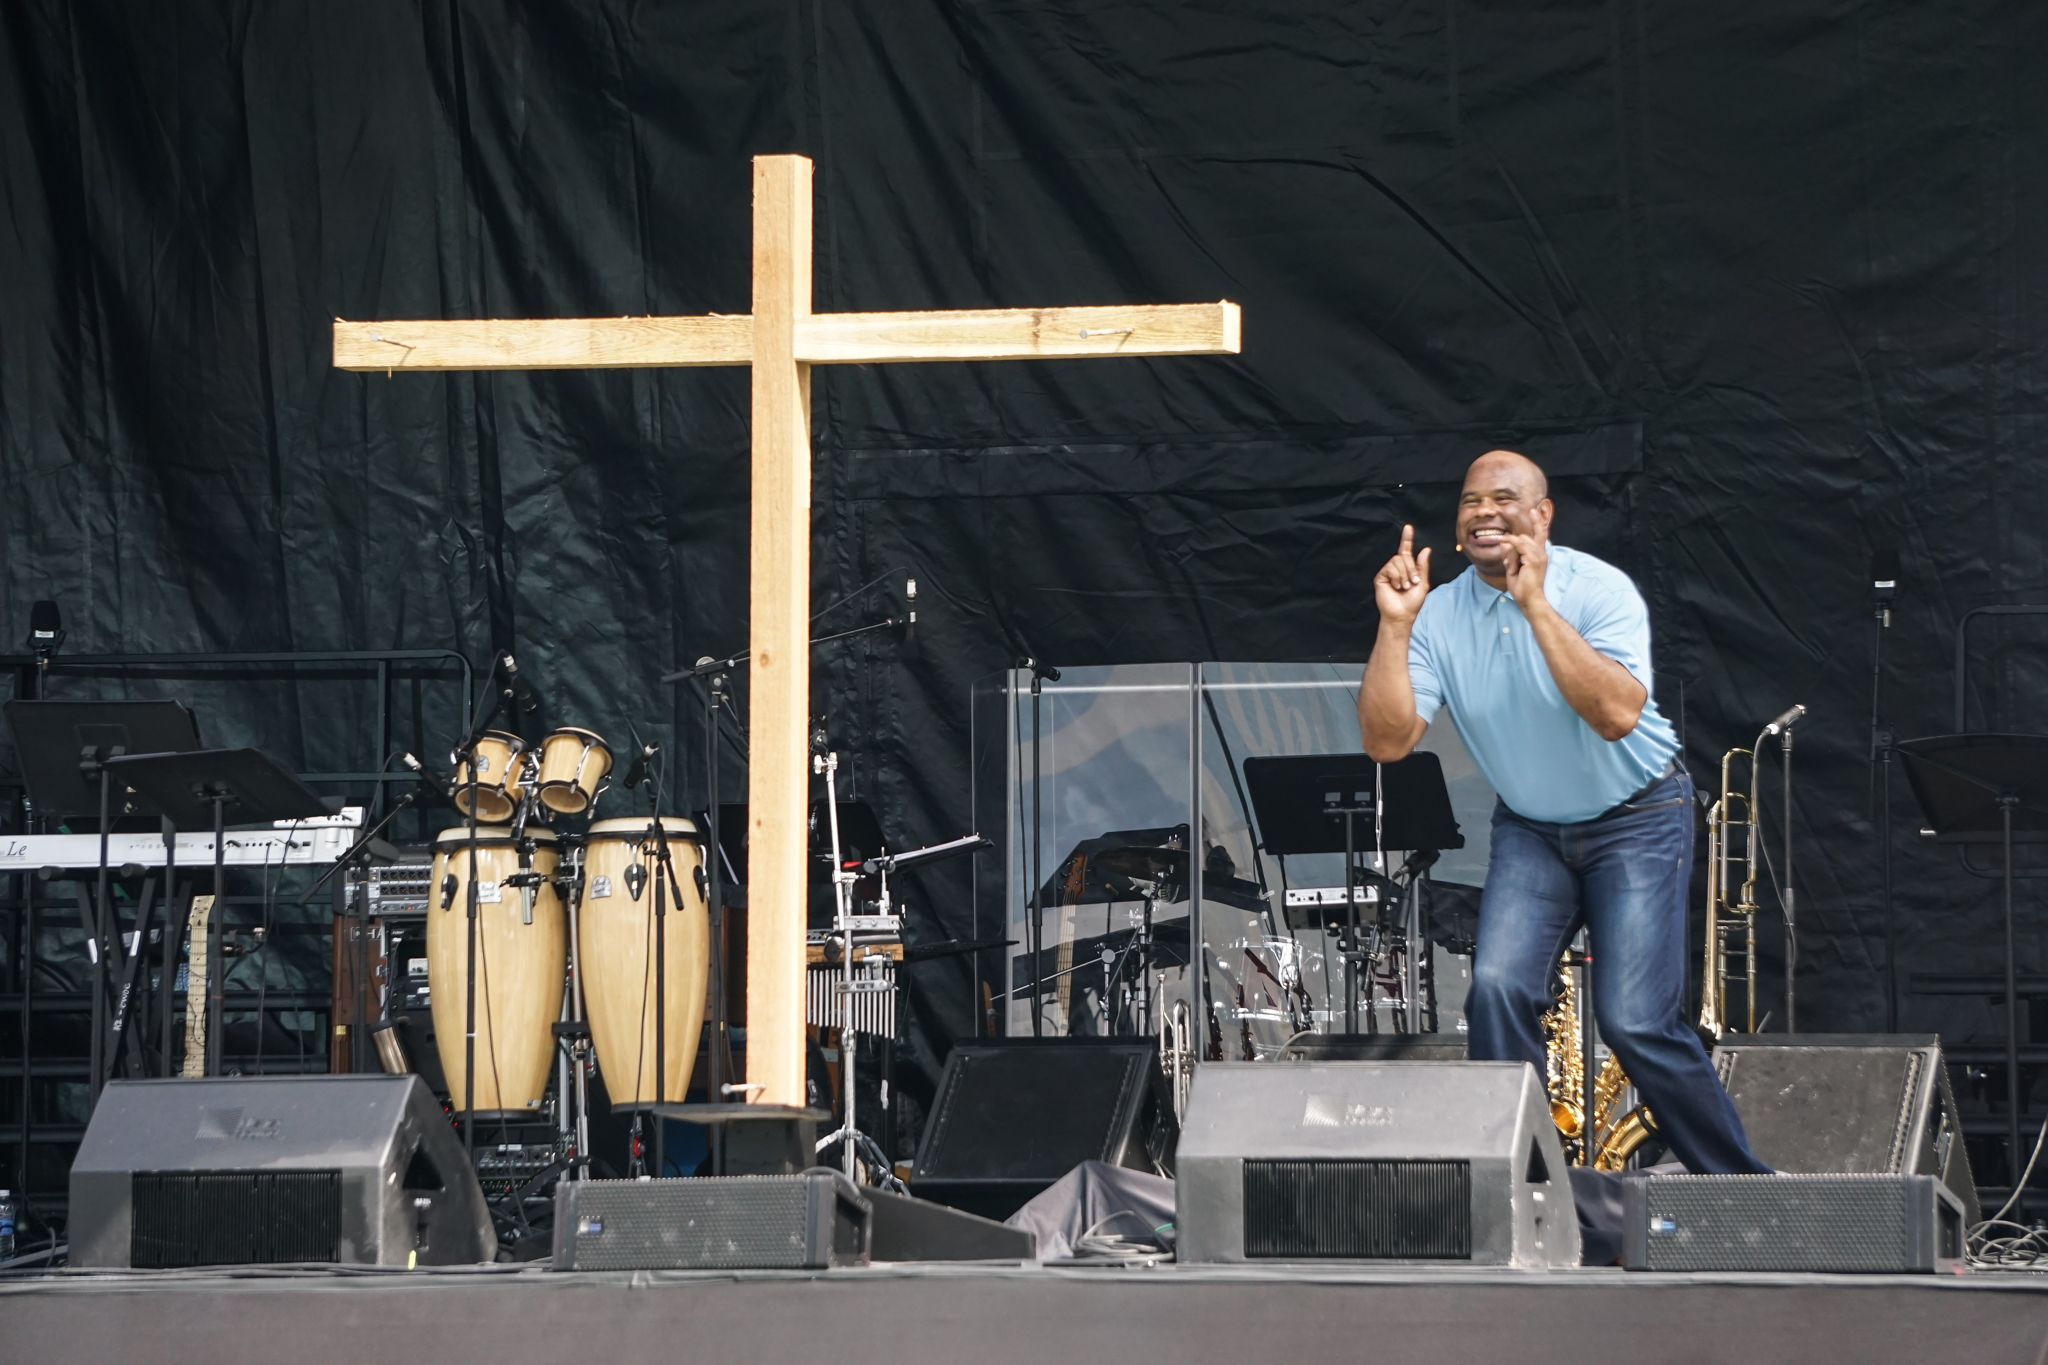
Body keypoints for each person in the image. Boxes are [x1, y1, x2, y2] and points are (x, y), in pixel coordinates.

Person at [1356, 448, 1767, 1174]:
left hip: (1636, 815)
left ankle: (1744, 1190)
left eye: (1504, 498)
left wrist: (1535, 604)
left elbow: (1615, 715)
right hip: (1532, 827)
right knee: (1497, 989)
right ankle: (1525, 1191)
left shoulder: (1598, 588)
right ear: (1456, 528)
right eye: (1470, 500)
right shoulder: (1440, 612)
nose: (1484, 510)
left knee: (1636, 1021)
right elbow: (1388, 741)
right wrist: (1395, 624)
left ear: (1542, 516)